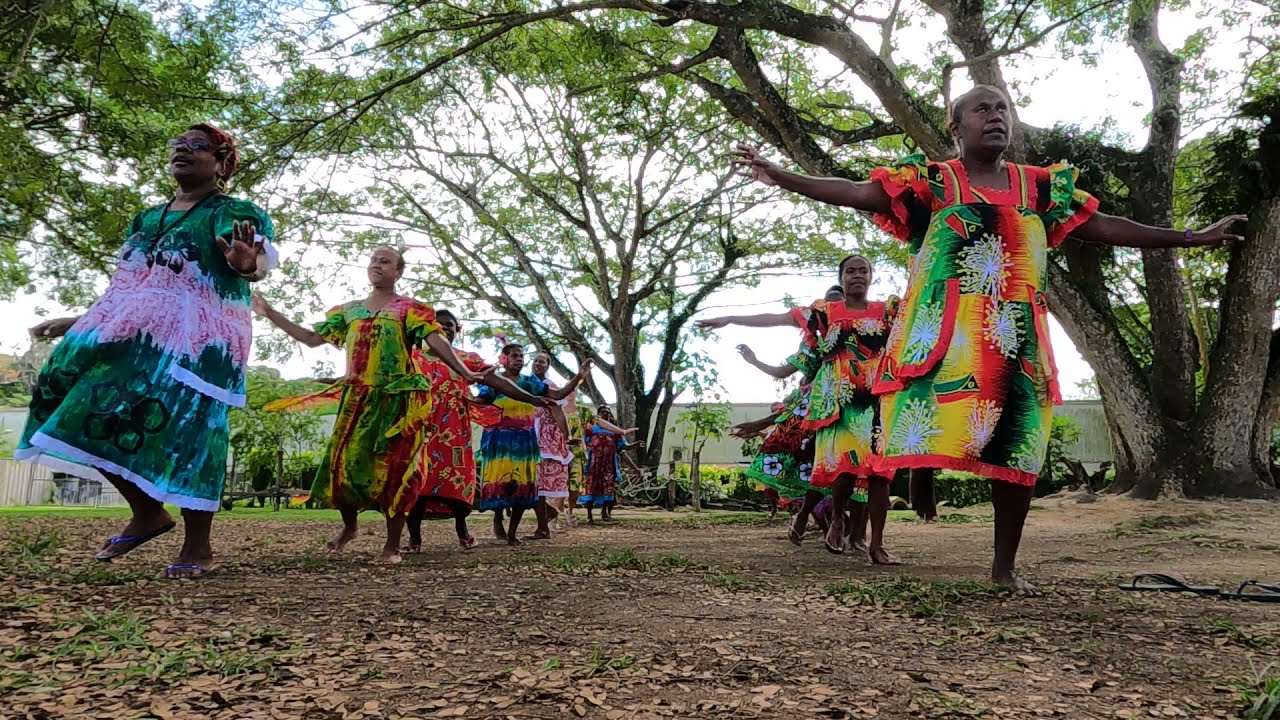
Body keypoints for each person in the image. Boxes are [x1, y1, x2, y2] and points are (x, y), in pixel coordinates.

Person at [730, 84, 1246, 593]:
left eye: (1003, 108)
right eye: (982, 108)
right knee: (911, 423)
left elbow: (1104, 225)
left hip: (1015, 333)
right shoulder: (934, 181)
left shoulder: (1040, 186)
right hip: (944, 335)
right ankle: (918, 474)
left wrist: (1188, 237)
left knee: (1018, 443)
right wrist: (782, 176)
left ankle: (1004, 567)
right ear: (956, 126)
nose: (996, 115)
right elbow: (857, 191)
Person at [18, 124, 275, 578]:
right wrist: (79, 322)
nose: (183, 150)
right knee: (60, 393)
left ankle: (198, 547)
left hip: (202, 343)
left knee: (195, 432)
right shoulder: (146, 219)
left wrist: (248, 265)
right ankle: (148, 512)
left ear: (221, 162)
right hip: (136, 337)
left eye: (198, 146)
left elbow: (254, 258)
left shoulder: (231, 210)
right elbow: (128, 284)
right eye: (178, 143)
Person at [252, 247, 485, 565]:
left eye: (385, 261)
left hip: (396, 404)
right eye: (373, 260)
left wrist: (465, 371)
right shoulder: (349, 312)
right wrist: (269, 312)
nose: (377, 264)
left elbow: (436, 341)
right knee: (343, 469)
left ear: (399, 272)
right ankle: (350, 527)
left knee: (397, 473)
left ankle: (392, 546)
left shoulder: (410, 310)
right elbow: (309, 338)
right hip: (357, 402)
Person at [700, 255, 900, 563]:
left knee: (880, 475)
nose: (857, 275)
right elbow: (775, 318)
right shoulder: (824, 312)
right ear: (842, 277)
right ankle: (835, 520)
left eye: (863, 270)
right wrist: (732, 319)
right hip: (839, 399)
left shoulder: (886, 312)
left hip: (876, 398)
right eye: (850, 271)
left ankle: (876, 544)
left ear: (872, 276)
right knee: (846, 465)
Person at [403, 311, 552, 552]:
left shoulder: (466, 359)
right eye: (438, 325)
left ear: (457, 329)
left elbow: (498, 382)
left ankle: (463, 532)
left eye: (450, 325)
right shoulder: (412, 358)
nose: (444, 328)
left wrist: (531, 398)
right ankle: (414, 539)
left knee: (457, 483)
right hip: (422, 431)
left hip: (455, 433)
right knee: (417, 483)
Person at [476, 343, 591, 546]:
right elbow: (481, 400)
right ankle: (497, 518)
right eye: (514, 355)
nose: (519, 359)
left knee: (523, 486)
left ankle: (512, 533)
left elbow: (557, 395)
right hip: (499, 441)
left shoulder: (529, 383)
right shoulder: (494, 381)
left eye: (521, 356)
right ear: (504, 358)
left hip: (525, 441)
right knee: (499, 484)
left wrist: (578, 377)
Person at [530, 351, 572, 537]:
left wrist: (566, 437)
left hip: (544, 439)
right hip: (530, 434)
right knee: (531, 483)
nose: (538, 364)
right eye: (536, 361)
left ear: (548, 366)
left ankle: (544, 525)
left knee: (536, 483)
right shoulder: (527, 383)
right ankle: (546, 517)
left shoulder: (548, 386)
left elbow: (557, 411)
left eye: (543, 362)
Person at [578, 406, 636, 523]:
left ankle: (605, 513)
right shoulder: (590, 429)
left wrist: (635, 445)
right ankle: (589, 515)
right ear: (598, 415)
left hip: (609, 465)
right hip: (593, 464)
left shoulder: (615, 432)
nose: (606, 415)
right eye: (603, 412)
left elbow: (623, 447)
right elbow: (583, 443)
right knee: (591, 489)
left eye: (608, 413)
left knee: (609, 490)